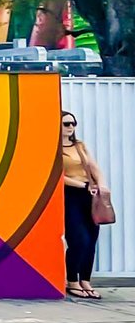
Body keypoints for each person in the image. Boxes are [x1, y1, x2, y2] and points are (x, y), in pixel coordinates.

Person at [62, 111, 111, 300]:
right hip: (70, 194)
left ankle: (85, 281)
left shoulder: (79, 145)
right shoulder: (55, 148)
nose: (71, 127)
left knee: (91, 239)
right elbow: (58, 176)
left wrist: (102, 185)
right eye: (66, 123)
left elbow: (93, 167)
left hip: (90, 194)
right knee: (78, 239)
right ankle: (72, 280)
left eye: (73, 123)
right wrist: (83, 185)